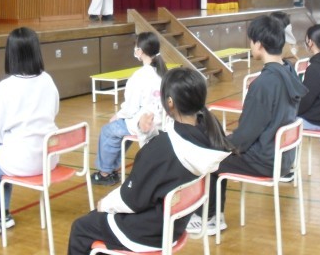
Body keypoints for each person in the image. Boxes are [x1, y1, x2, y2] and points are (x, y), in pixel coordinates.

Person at [67, 68, 233, 254]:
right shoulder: (207, 132)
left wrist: (105, 204)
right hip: (174, 225)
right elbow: (165, 165)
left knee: (81, 227)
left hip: (146, 232)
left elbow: (131, 199)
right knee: (95, 219)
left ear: (169, 102)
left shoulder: (165, 148)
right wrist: (147, 133)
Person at [187, 14, 307, 235]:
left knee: (210, 159)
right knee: (220, 147)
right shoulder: (289, 71)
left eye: (251, 41)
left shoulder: (263, 84)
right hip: (284, 156)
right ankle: (213, 215)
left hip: (265, 159)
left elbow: (244, 138)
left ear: (259, 44)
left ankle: (210, 218)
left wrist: (223, 144)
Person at [0, 27, 60, 236]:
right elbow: (54, 110)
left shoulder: (6, 87)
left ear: (10, 54)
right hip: (48, 157)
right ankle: (3, 213)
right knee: (1, 162)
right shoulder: (47, 80)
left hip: (23, 159)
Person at [91, 32, 168, 186]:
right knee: (119, 130)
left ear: (140, 51)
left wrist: (118, 115)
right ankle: (113, 167)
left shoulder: (140, 76)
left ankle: (105, 173)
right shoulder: (164, 72)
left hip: (145, 121)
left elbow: (130, 108)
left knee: (108, 130)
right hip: (162, 121)